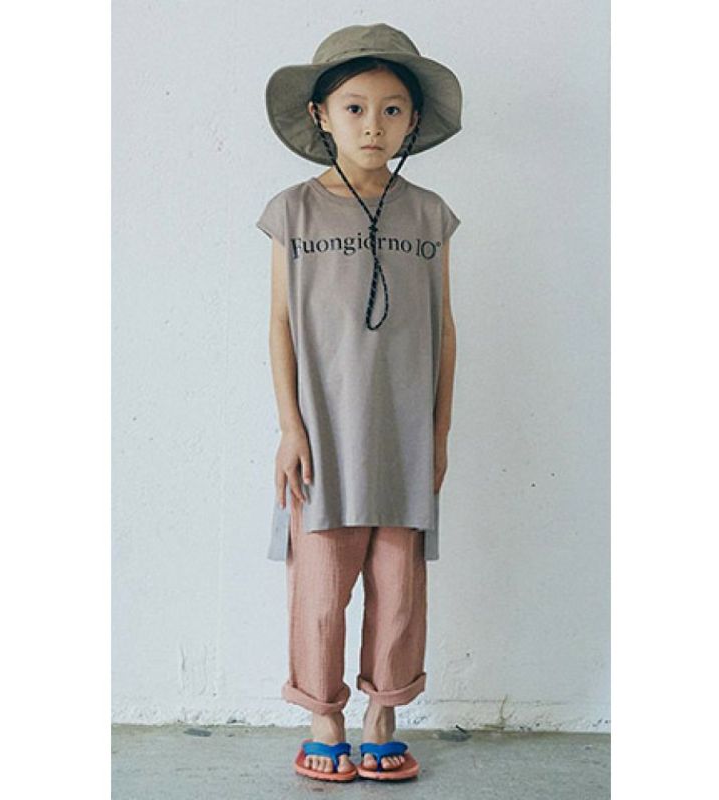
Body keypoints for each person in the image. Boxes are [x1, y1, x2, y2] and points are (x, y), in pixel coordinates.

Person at [256, 22, 462, 782]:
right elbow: (280, 322)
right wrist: (289, 427)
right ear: (321, 115)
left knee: (400, 587)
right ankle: (323, 716)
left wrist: (439, 433)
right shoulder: (294, 212)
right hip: (323, 435)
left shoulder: (429, 214)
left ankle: (383, 715)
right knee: (319, 590)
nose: (373, 125)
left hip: (404, 434)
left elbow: (443, 326)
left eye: (391, 109)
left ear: (412, 121)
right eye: (355, 108)